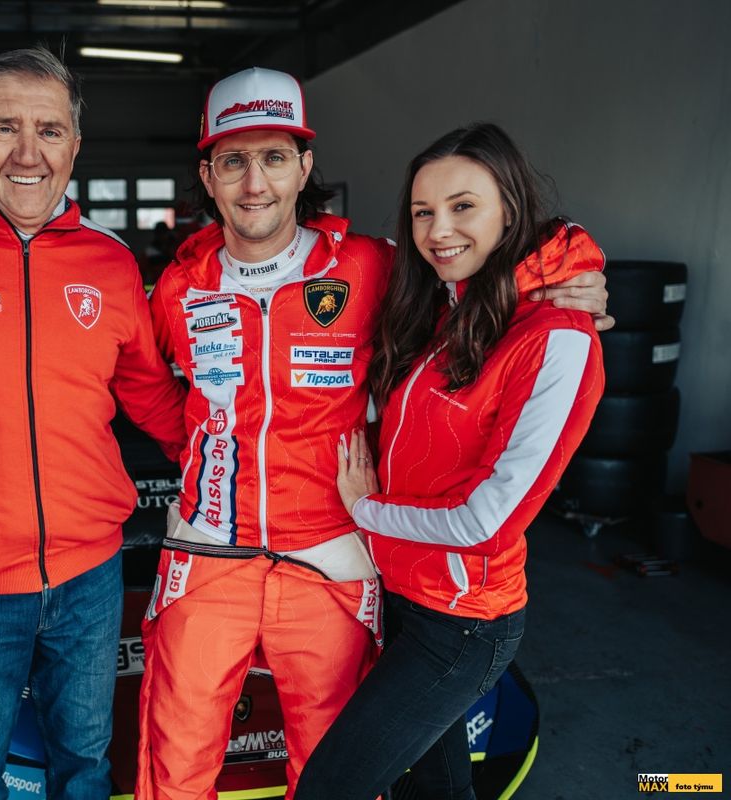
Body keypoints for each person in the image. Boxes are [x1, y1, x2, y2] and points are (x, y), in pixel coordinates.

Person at [136, 69, 611, 800]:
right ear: (207, 175)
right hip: (209, 552)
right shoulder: (177, 287)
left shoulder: (373, 266)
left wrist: (570, 275)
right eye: (232, 160)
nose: (254, 182)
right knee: (174, 764)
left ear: (304, 167)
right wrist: (201, 456)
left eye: (274, 157)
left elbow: (482, 291)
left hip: (331, 556)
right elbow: (155, 391)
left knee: (331, 766)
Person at [294, 123, 605, 800]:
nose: (438, 231)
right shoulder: (447, 312)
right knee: (435, 789)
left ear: (510, 211)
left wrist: (366, 510)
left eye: (463, 206)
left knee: (328, 787)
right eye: (422, 212)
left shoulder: (558, 338)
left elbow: (486, 522)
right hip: (404, 597)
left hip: (463, 623)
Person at [0, 48, 188, 800]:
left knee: (85, 766)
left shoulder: (111, 260)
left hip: (90, 575)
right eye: (5, 127)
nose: (28, 153)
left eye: (50, 131)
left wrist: (238, 461)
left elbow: (150, 394)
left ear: (74, 146)